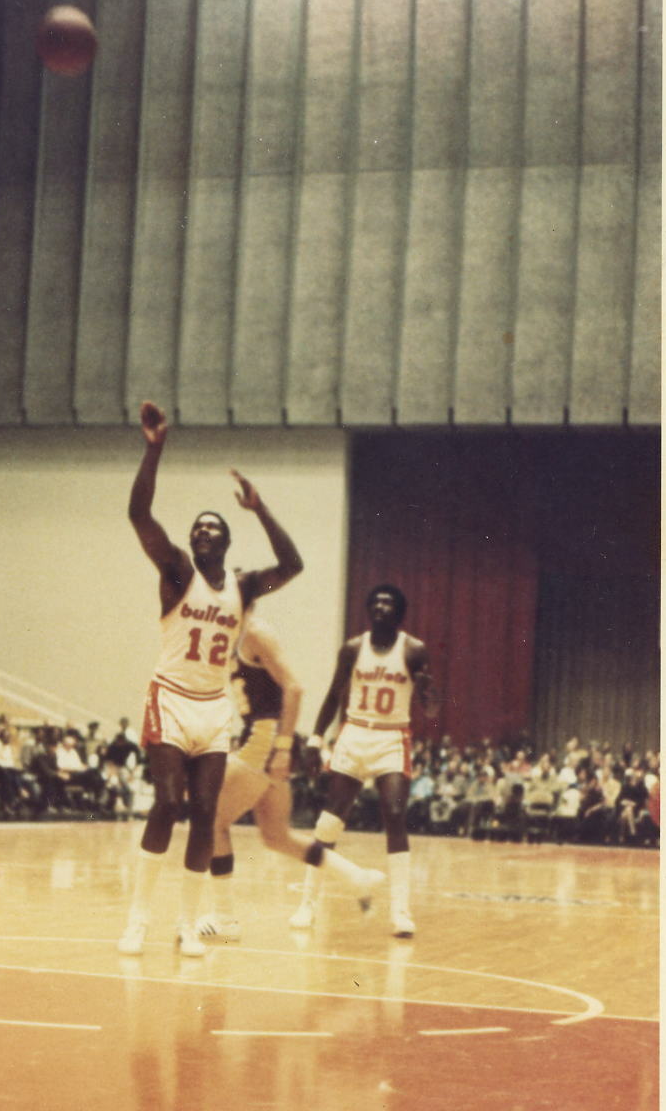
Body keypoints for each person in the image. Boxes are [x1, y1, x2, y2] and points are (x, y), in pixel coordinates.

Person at [118, 399, 304, 957]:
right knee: (167, 802)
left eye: (212, 527)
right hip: (171, 700)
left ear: (224, 541)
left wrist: (261, 508)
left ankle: (187, 923)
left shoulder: (243, 588)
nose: (201, 531)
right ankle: (137, 919)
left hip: (215, 708)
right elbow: (139, 517)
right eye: (196, 527)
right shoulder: (177, 573)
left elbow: (292, 565)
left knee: (205, 815)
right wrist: (154, 451)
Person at [195, 613, 384, 943]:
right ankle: (357, 878)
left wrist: (282, 746)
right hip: (263, 739)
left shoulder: (255, 632)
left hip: (264, 739)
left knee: (210, 820)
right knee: (276, 837)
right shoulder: (233, 636)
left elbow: (294, 688)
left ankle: (224, 919)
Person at [292, 583, 438, 938]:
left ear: (399, 612)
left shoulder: (414, 650)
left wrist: (426, 690)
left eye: (388, 603)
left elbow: (431, 709)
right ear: (368, 609)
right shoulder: (353, 649)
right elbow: (332, 695)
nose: (381, 607)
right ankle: (307, 903)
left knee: (394, 813)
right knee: (328, 824)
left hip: (391, 737)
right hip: (354, 734)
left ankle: (401, 912)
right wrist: (314, 738)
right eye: (376, 602)